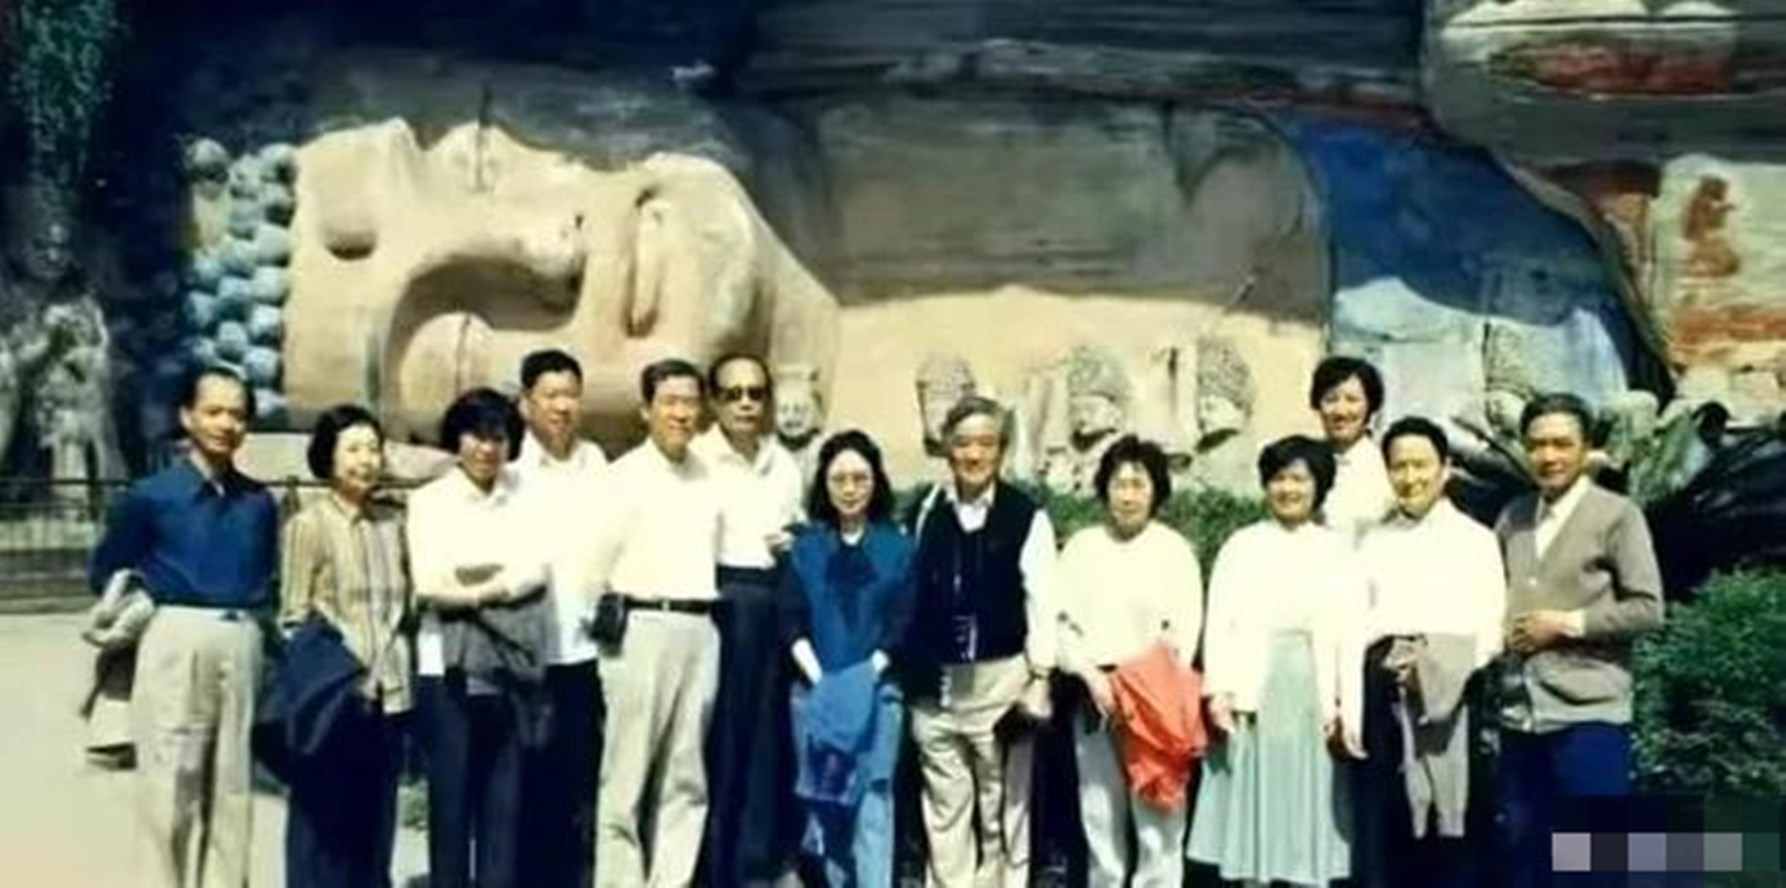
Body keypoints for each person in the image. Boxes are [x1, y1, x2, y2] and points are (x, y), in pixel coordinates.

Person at [89, 366, 278, 888]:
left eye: (237, 414)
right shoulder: (151, 496)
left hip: (241, 638)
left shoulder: (259, 502)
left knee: (233, 786)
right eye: (213, 411)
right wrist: (141, 598)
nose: (226, 424)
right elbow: (106, 570)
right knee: (172, 782)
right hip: (175, 640)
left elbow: (269, 576)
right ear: (187, 417)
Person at [1494, 393, 1664, 888]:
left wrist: (1567, 623)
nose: (1548, 456)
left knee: (1593, 863)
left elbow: (1648, 608)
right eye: (1536, 445)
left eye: (1561, 444)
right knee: (1528, 860)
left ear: (1586, 449)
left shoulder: (1617, 515)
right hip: (1519, 717)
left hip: (1589, 715)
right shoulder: (1512, 517)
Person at [1188, 435, 1365, 886]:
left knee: (1307, 798)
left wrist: (1347, 709)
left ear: (1318, 485)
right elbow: (1220, 622)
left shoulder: (1338, 551)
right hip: (1255, 687)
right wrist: (1219, 691)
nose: (1289, 489)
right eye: (1280, 479)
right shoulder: (1241, 545)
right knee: (1257, 801)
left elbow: (1350, 635)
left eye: (1299, 479)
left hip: (1312, 688)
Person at [902, 395, 1060, 887]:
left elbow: (1043, 601)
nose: (974, 455)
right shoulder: (925, 511)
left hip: (1000, 683)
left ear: (1001, 450)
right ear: (948, 449)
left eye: (986, 444)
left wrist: (1040, 677)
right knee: (944, 808)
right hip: (935, 686)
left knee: (1002, 808)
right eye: (964, 443)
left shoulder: (1026, 517)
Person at [588, 358, 725, 888]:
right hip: (640, 626)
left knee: (686, 776)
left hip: (699, 628)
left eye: (691, 403)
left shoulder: (708, 477)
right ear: (646, 410)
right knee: (625, 776)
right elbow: (592, 568)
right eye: (670, 402)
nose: (682, 413)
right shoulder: (621, 477)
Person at [406, 388, 551, 888]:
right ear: (457, 438)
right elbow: (429, 583)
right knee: (450, 801)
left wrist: (472, 589)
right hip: (446, 667)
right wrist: (499, 584)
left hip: (511, 665)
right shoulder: (430, 501)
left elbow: (535, 570)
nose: (487, 448)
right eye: (476, 436)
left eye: (498, 437)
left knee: (503, 804)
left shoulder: (525, 495)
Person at [1353, 417, 1505, 888]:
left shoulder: (1476, 539)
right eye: (1399, 466)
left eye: (1421, 465)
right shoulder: (1372, 541)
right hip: (1384, 690)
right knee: (1389, 819)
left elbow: (1490, 625)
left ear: (1446, 469)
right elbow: (1357, 618)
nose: (1410, 477)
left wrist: (1438, 670)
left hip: (1453, 695)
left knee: (1455, 820)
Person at [1057, 435, 1203, 887]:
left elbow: (1182, 633)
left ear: (1156, 490)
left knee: (1159, 820)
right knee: (1099, 814)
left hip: (1155, 702)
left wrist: (1136, 688)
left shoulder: (1174, 551)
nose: (1128, 495)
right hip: (1095, 696)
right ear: (1105, 489)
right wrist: (1091, 677)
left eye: (1139, 485)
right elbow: (1062, 624)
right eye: (1119, 484)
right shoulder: (1082, 548)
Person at [278, 404, 413, 888]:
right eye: (353, 449)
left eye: (373, 448)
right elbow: (293, 617)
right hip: (334, 696)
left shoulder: (394, 523)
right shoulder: (309, 525)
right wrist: (328, 673)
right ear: (328, 458)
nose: (366, 460)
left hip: (390, 693)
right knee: (323, 820)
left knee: (377, 817)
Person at [779, 429, 916, 887]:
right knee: (827, 806)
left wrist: (863, 677)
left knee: (873, 803)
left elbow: (902, 620)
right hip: (814, 694)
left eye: (860, 478)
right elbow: (791, 619)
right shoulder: (806, 549)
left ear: (876, 481)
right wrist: (825, 682)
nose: (850, 488)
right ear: (825, 484)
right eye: (839, 479)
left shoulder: (899, 547)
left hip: (878, 695)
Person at [693, 353, 806, 886]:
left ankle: (756, 863)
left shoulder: (783, 463)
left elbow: (798, 525)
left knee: (768, 739)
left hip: (772, 599)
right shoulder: (697, 459)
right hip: (721, 601)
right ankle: (712, 868)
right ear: (714, 401)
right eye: (733, 394)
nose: (745, 404)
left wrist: (795, 540)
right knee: (721, 739)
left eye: (756, 394)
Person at [511, 349, 609, 888]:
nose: (562, 406)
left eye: (571, 395)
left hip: (587, 649)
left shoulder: (597, 463)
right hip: (527, 650)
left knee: (581, 778)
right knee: (526, 780)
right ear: (525, 402)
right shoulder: (510, 468)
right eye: (550, 395)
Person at [1309, 355, 1394, 542]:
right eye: (1331, 399)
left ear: (1371, 405)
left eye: (1352, 400)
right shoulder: (1305, 461)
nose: (1341, 411)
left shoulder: (1388, 465)